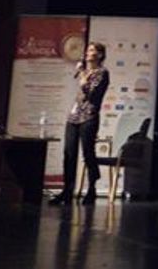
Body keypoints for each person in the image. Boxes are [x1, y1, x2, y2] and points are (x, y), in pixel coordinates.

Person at [49, 42, 110, 205]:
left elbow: (89, 91)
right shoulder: (86, 71)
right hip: (74, 116)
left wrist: (82, 71)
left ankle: (92, 189)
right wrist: (83, 72)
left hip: (89, 117)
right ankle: (67, 191)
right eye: (88, 50)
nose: (88, 53)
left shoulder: (102, 73)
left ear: (100, 55)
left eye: (92, 50)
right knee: (69, 154)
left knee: (88, 154)